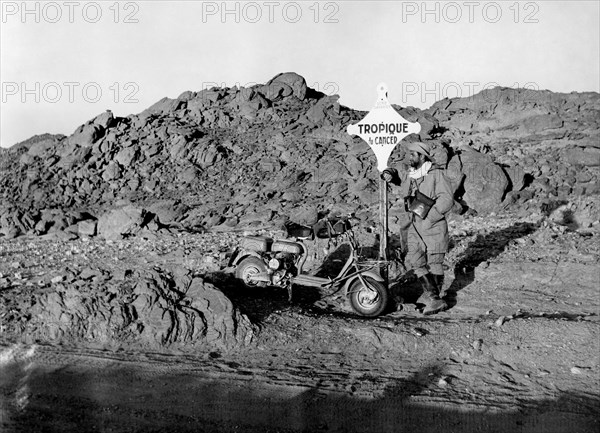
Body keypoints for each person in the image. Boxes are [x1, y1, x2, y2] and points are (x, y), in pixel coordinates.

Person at [381, 141, 454, 315]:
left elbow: (446, 199)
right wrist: (388, 173)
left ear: (422, 156)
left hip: (432, 224)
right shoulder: (410, 173)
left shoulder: (437, 174)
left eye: (413, 154)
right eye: (409, 154)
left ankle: (434, 298)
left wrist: (431, 217)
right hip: (412, 224)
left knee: (435, 261)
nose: (410, 157)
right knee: (416, 260)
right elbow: (396, 176)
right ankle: (434, 298)